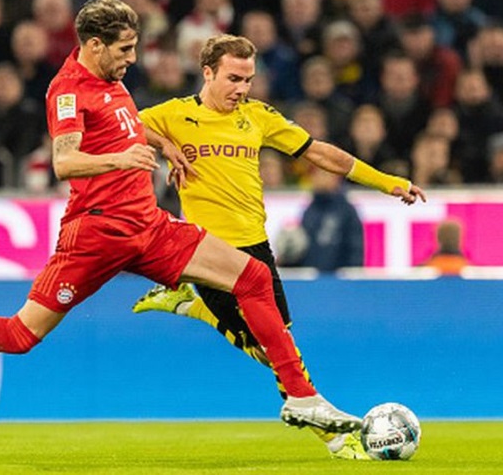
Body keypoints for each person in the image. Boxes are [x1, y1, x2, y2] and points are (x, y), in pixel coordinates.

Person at [0, 0, 362, 436]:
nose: (132, 59)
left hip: (148, 226)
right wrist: (121, 159)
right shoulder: (67, 90)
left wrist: (162, 143)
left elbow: (128, 126)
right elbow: (64, 161)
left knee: (253, 278)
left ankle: (301, 398)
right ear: (95, 45)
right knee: (20, 335)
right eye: (124, 49)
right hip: (97, 231)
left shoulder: (112, 81)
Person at [133, 34, 426, 458]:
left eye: (248, 79)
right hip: (208, 250)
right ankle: (336, 440)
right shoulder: (174, 114)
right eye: (234, 78)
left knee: (275, 346)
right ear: (208, 73)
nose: (242, 89)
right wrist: (164, 143)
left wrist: (386, 182)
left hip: (256, 248)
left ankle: (189, 305)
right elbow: (122, 124)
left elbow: (319, 153)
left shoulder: (258, 116)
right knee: (278, 350)